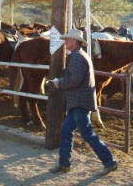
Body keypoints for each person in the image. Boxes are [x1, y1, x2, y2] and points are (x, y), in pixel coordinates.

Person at [48, 29, 118, 176]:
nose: (65, 42)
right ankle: (64, 164)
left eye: (68, 40)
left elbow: (74, 80)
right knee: (67, 131)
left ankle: (109, 162)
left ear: (74, 41)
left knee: (87, 135)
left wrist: (58, 83)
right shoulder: (79, 55)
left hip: (79, 103)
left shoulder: (77, 57)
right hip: (77, 103)